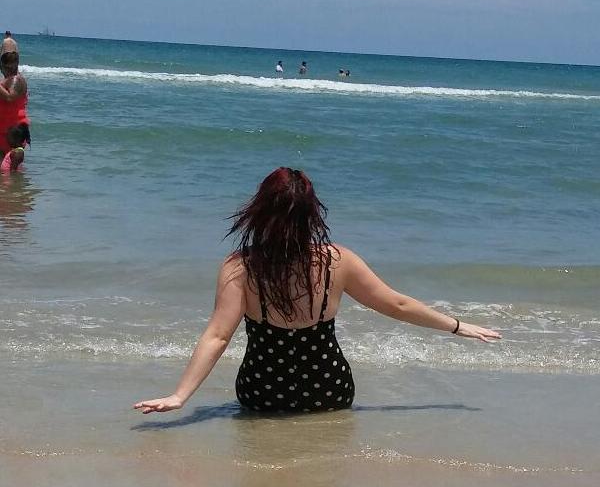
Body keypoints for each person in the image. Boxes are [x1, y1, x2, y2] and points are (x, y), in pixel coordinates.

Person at [135, 168, 500, 416]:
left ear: (259, 210)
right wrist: (457, 326)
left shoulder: (241, 266)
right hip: (329, 391)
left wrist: (180, 396)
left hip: (263, 395)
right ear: (312, 214)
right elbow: (397, 305)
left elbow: (218, 335)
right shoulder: (337, 261)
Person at [0, 51, 30, 167]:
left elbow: (10, 97)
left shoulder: (17, 80)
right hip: (6, 130)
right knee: (7, 169)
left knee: (8, 168)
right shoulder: (7, 80)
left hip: (13, 133)